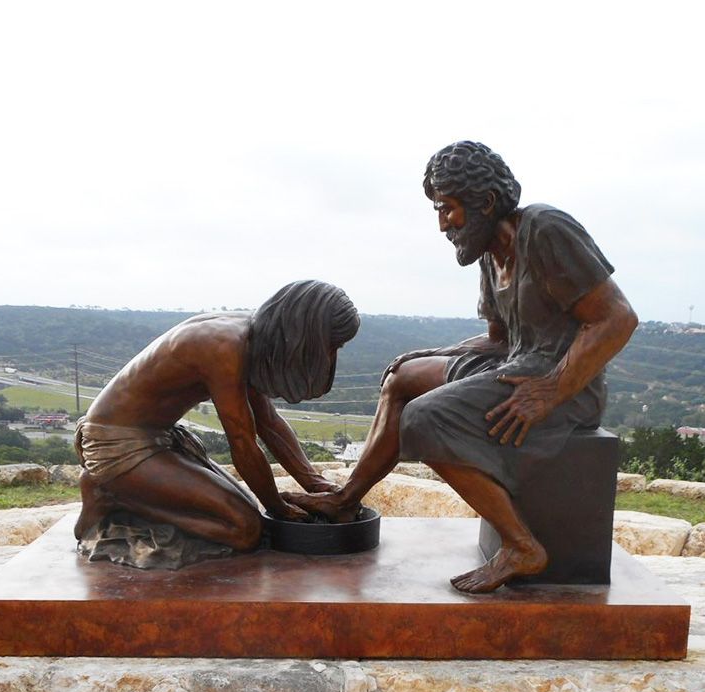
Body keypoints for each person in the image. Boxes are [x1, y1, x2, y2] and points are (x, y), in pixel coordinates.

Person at [288, 141, 638, 593]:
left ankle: (521, 545)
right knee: (403, 379)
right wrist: (436, 354)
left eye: (447, 209)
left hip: (563, 385)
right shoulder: (489, 254)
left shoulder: (545, 229)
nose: (442, 224)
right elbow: (498, 341)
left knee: (424, 419)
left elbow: (617, 317)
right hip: (517, 363)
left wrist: (551, 389)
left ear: (485, 203)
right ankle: (344, 499)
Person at [74, 280, 360, 562]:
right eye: (332, 346)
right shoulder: (223, 346)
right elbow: (242, 442)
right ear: (306, 334)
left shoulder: (253, 339)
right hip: (115, 443)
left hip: (160, 438)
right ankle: (112, 496)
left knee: (247, 510)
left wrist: (315, 484)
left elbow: (269, 422)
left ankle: (124, 494)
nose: (331, 355)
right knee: (245, 530)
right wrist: (278, 507)